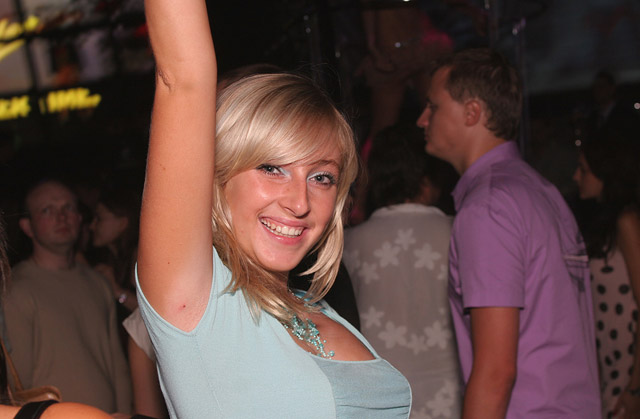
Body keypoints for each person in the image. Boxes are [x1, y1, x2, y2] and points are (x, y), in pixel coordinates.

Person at [136, 0, 411, 418]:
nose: (299, 202)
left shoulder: (315, 307)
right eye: (271, 168)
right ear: (217, 175)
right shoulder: (199, 303)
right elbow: (184, 77)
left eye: (322, 177)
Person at [416, 48, 600, 417]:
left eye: (433, 107)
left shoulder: (488, 207)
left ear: (472, 113)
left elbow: (496, 373)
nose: (422, 120)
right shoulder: (539, 190)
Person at [343, 124, 461, 418]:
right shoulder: (460, 234)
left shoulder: (349, 243)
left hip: (382, 395)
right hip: (452, 393)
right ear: (429, 179)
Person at [4, 180, 132, 414]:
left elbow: (118, 368)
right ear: (27, 227)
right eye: (47, 210)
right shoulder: (16, 290)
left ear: (80, 218)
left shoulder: (98, 283)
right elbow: (17, 385)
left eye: (68, 207)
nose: (61, 217)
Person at [573, 134, 640, 419]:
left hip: (629, 370)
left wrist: (635, 388)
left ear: (606, 174)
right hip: (612, 367)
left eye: (584, 170)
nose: (576, 177)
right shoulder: (607, 223)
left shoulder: (627, 221)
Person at [89, 185, 140, 313]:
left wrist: (117, 292)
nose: (92, 226)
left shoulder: (140, 259)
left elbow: (154, 317)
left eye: (99, 218)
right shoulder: (107, 259)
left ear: (123, 223)